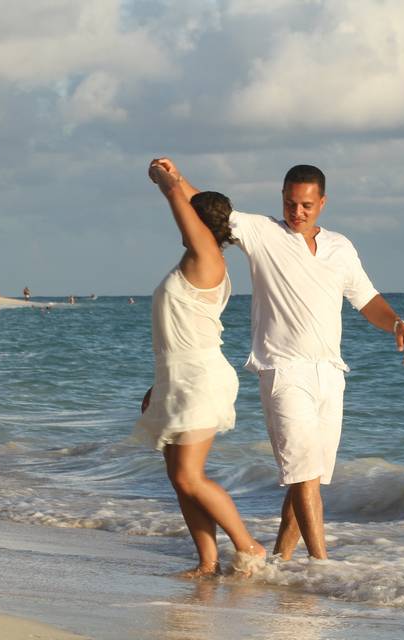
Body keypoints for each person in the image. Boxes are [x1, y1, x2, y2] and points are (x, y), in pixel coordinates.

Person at [149, 158, 404, 562]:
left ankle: (281, 566)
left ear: (322, 203)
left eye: (306, 205)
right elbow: (207, 207)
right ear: (282, 199)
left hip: (330, 373)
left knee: (307, 482)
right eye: (291, 203)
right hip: (283, 370)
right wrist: (174, 178)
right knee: (304, 478)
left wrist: (396, 323)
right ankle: (322, 567)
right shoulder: (263, 232)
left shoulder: (340, 248)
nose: (297, 212)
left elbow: (366, 298)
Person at [135, 163, 265, 577]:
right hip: (178, 377)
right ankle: (207, 563)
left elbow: (177, 198)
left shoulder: (206, 256)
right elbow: (176, 331)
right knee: (180, 478)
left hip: (200, 379)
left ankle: (248, 547)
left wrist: (165, 177)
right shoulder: (193, 261)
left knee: (190, 477)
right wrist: (159, 385)